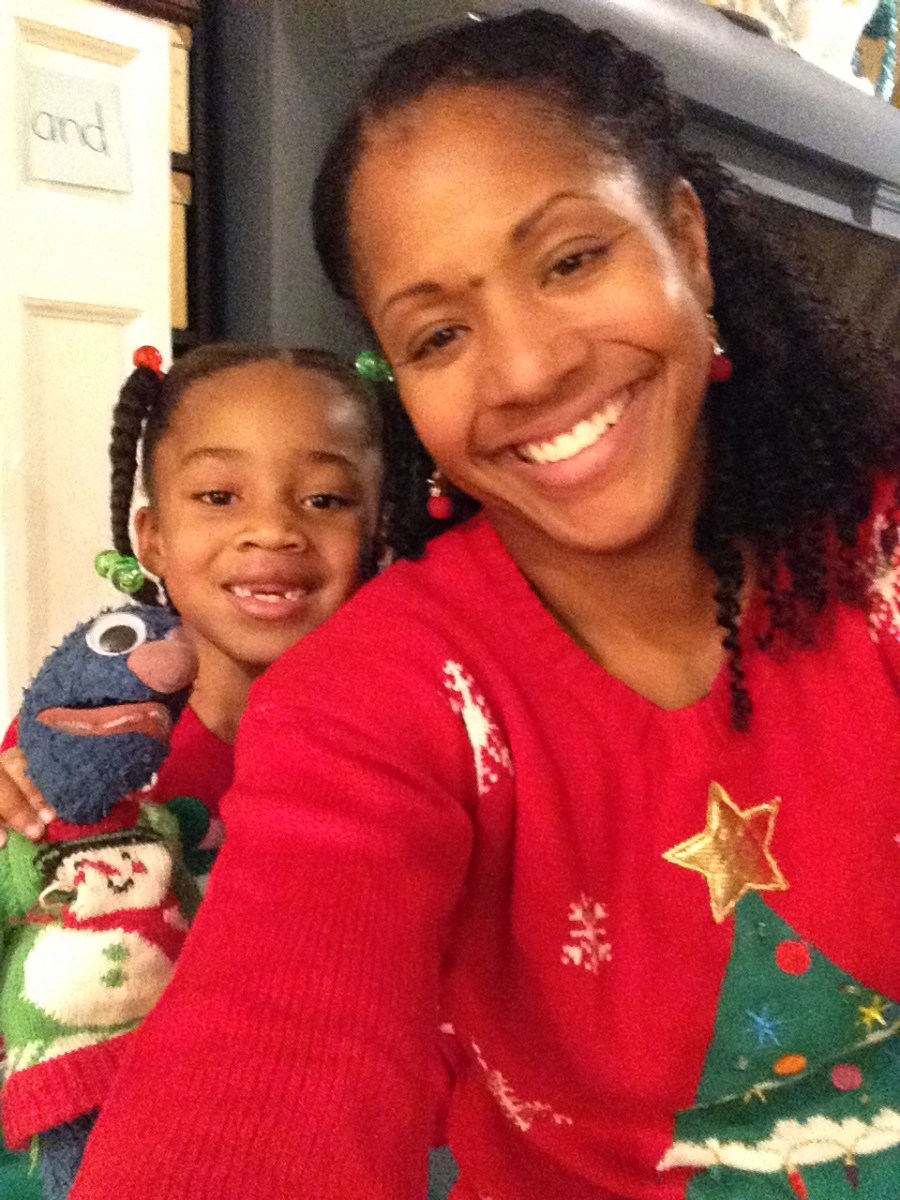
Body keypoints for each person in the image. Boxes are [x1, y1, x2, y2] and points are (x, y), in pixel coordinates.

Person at [72, 10, 900, 1199]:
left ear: (686, 242)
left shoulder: (877, 556)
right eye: (441, 334)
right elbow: (271, 1042)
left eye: (571, 262)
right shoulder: (377, 701)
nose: (527, 369)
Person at [0, 341, 406, 1197]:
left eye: (325, 499)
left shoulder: (410, 753)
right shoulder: (73, 737)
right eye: (219, 496)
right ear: (150, 536)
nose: (273, 530)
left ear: (378, 530)